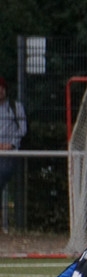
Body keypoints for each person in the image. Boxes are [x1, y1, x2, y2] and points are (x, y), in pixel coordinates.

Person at [0, 75, 27, 230]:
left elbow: (22, 130)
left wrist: (10, 144)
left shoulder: (15, 107)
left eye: (1, 88)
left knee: (2, 173)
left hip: (9, 153)